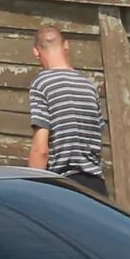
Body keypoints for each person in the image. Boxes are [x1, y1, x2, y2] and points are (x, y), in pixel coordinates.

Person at [25, 26, 108, 197]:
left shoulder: (42, 84)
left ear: (36, 52)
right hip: (96, 188)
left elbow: (41, 150)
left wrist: (32, 191)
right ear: (66, 45)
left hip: (64, 188)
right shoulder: (89, 86)